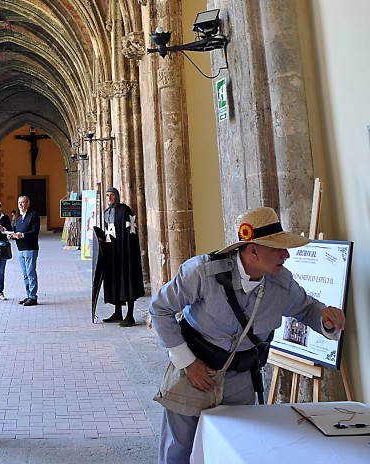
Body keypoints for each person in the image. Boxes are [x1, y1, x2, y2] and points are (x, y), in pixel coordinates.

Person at [150, 205, 346, 464]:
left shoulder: (281, 283)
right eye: (278, 248)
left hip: (240, 385)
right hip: (193, 378)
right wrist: (188, 363)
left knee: (233, 452)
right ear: (253, 250)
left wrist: (326, 319)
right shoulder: (202, 273)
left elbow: (307, 308)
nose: (286, 255)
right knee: (180, 452)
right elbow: (160, 309)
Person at [100, 187, 145, 326]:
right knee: (115, 282)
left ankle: (130, 315)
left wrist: (128, 252)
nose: (109, 198)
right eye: (107, 195)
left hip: (124, 253)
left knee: (127, 281)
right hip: (112, 255)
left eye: (112, 195)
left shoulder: (125, 211)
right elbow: (107, 233)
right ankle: (117, 312)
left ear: (117, 196)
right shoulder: (106, 213)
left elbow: (131, 233)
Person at [9, 194, 40, 305]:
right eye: (19, 203)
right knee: (25, 273)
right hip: (21, 248)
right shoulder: (20, 217)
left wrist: (22, 235)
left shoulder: (33, 215)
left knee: (31, 272)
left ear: (28, 203)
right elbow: (16, 229)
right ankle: (28, 295)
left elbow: (35, 232)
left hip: (30, 248)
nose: (20, 205)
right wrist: (11, 234)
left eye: (22, 202)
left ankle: (33, 296)